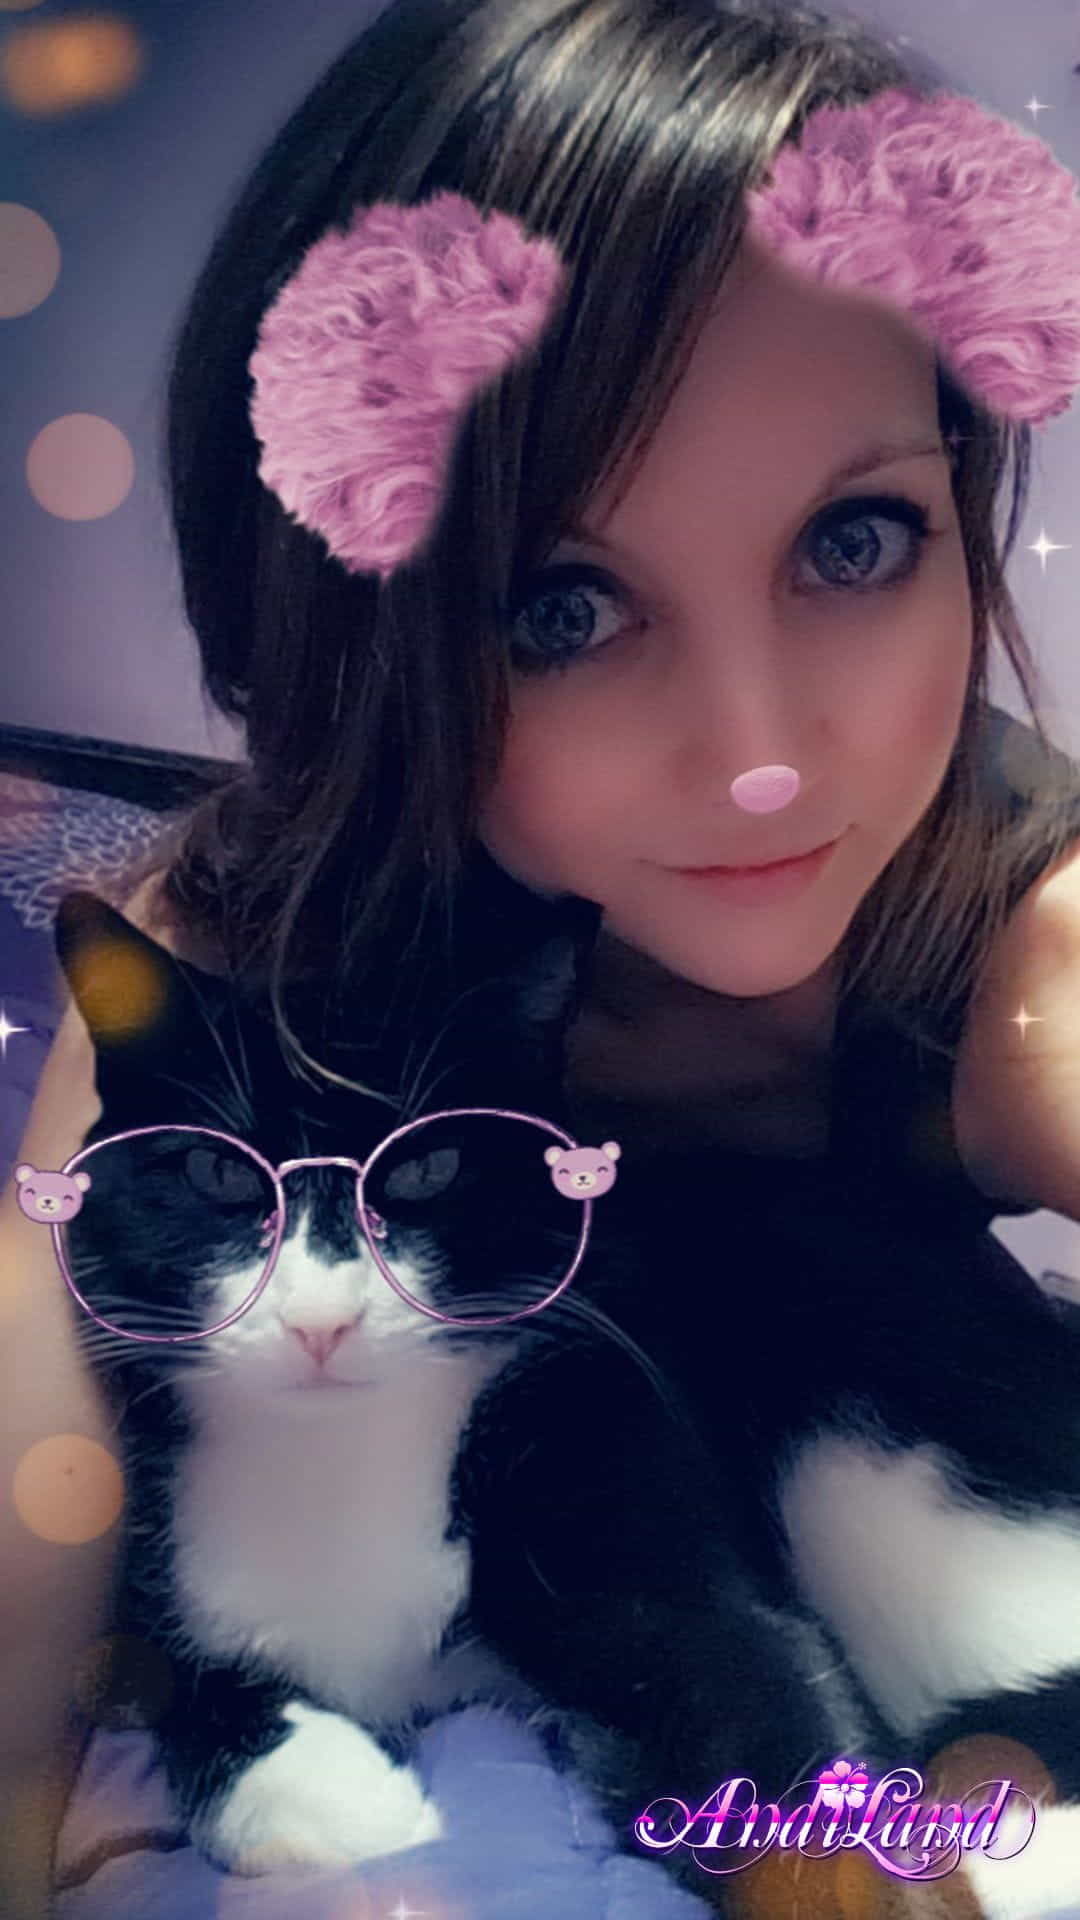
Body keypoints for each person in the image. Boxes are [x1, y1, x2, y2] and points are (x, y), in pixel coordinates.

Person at [4, 0, 1080, 1914]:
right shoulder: (268, 927)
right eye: (560, 605)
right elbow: (43, 1438)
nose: (758, 757)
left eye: (856, 540)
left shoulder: (1031, 960)